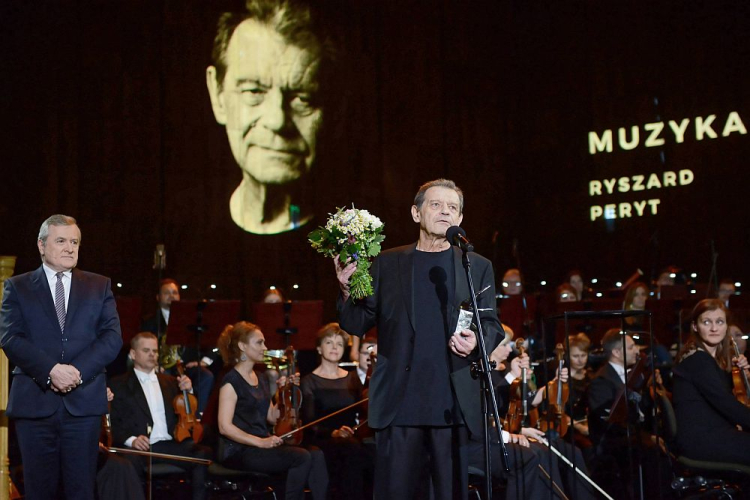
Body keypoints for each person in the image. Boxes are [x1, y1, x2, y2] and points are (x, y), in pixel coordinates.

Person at [335, 178, 503, 500]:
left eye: (452, 207)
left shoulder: (476, 265)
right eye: (436, 205)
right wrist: (346, 289)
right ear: (416, 213)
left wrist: (477, 342)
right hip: (400, 402)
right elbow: (357, 322)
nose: (445, 212)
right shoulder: (386, 262)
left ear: (460, 219)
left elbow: (490, 322)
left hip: (451, 404)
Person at [0, 214, 122, 500]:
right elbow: (10, 338)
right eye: (61, 241)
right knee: (39, 490)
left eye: (75, 242)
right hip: (35, 402)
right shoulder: (17, 286)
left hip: (84, 406)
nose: (70, 248)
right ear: (42, 245)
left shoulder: (99, 285)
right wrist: (51, 370)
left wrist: (75, 371)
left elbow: (112, 338)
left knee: (81, 489)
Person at [206, 0, 335, 234]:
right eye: (253, 92)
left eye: (303, 98)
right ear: (218, 95)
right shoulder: (180, 222)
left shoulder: (361, 243)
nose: (277, 121)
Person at [216, 321, 328, 500]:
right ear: (242, 346)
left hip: (261, 446)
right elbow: (224, 427)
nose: (265, 347)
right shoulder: (231, 381)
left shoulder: (260, 377)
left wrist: (285, 392)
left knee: (315, 454)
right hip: (240, 451)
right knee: (301, 457)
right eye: (259, 342)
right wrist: (260, 442)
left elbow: (271, 417)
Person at [109, 332, 211, 500]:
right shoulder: (118, 383)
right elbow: (114, 421)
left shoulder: (170, 382)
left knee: (202, 453)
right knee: (127, 462)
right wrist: (131, 440)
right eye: (146, 350)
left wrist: (188, 390)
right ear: (133, 354)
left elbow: (187, 411)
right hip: (140, 447)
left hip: (169, 444)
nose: (152, 354)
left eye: (155, 351)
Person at [672, 299, 750, 465]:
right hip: (703, 440)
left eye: (719, 322)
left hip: (713, 434)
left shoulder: (709, 358)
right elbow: (726, 402)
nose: (714, 328)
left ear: (726, 326)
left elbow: (725, 394)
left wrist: (744, 374)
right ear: (695, 326)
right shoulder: (698, 360)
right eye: (706, 322)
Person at [301, 323, 372, 500]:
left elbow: (363, 412)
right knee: (351, 451)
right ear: (319, 348)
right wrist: (333, 432)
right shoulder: (309, 381)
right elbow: (309, 422)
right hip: (323, 438)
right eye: (329, 343)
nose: (335, 347)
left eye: (339, 344)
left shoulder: (352, 378)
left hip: (350, 436)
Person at [141, 278, 215, 414]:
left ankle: (198, 415)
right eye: (167, 293)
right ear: (158, 297)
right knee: (166, 379)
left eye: (174, 292)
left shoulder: (191, 318)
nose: (171, 296)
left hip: (186, 366)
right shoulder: (149, 321)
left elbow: (212, 339)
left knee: (206, 376)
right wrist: (155, 364)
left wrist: (204, 361)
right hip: (163, 367)